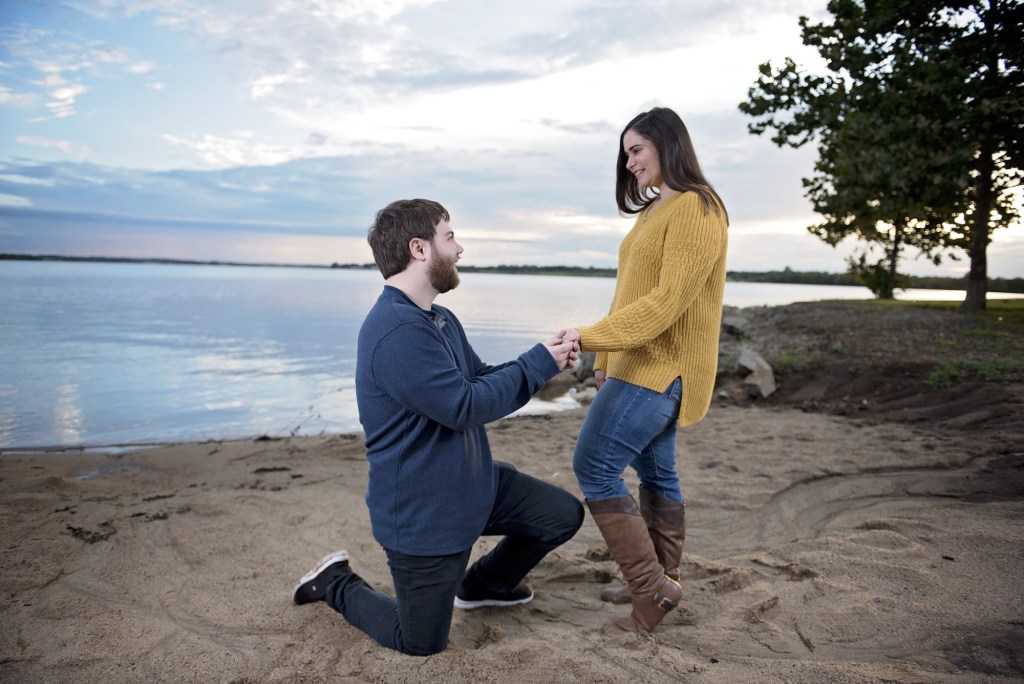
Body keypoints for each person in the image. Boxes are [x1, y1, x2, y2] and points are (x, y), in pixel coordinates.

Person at [292, 198, 585, 656]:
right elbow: (464, 406)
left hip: (472, 485)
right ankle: (334, 582)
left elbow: (479, 377)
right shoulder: (396, 332)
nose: (460, 247)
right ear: (419, 249)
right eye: (449, 236)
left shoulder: (438, 319)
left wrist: (545, 359)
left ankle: (482, 585)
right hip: (423, 515)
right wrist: (536, 364)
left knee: (561, 515)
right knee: (420, 642)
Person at [563, 107, 729, 633]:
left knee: (593, 464)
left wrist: (585, 338)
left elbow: (667, 302)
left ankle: (651, 589)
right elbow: (629, 294)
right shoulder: (656, 209)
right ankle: (660, 580)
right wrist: (607, 358)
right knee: (657, 472)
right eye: (626, 153)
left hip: (664, 367)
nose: (629, 162)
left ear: (666, 144)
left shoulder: (699, 209)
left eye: (636, 149)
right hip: (636, 362)